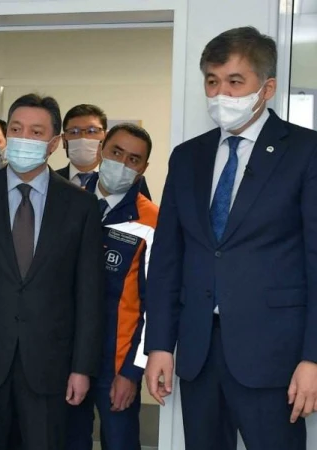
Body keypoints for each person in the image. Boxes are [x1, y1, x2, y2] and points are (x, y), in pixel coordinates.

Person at [144, 26, 317, 450]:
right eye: (212, 81)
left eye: (235, 82)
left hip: (275, 356)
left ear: (267, 88)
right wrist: (160, 345)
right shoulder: (188, 157)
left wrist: (313, 358)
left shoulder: (305, 151)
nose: (221, 93)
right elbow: (167, 260)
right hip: (199, 352)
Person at [0, 94, 104, 450]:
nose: (23, 138)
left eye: (36, 132)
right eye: (16, 129)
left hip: (50, 363)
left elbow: (89, 293)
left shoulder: (80, 205)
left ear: (54, 143)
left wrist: (82, 367)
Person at [66, 124, 157, 450]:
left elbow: (154, 305)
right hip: (65, 355)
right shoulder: (68, 200)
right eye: (116, 152)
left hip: (116, 362)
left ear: (143, 168)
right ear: (102, 148)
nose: (122, 163)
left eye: (133, 159)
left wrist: (132, 372)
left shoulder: (151, 220)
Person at [59, 104, 152, 200]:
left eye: (92, 131)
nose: (83, 138)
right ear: (64, 139)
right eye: (74, 132)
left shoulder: (134, 182)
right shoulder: (52, 180)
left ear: (105, 136)